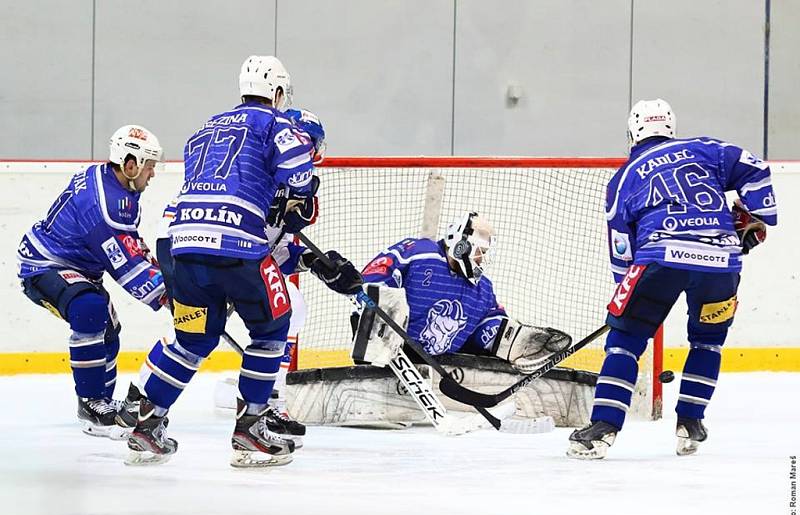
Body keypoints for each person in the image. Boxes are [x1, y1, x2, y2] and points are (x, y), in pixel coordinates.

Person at [126, 56, 360, 468]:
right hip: (234, 249)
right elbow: (298, 176)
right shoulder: (276, 126)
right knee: (273, 325)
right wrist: (300, 190)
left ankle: (147, 419)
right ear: (278, 93)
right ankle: (252, 424)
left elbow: (273, 240)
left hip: (185, 249)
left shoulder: (205, 129)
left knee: (195, 340)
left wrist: (315, 262)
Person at [567, 99, 778, 459]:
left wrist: (625, 299)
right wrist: (758, 215)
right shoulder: (707, 149)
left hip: (660, 259)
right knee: (708, 342)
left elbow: (622, 248)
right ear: (670, 127)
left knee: (625, 342)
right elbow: (755, 168)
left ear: (633, 132)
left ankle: (603, 428)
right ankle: (690, 425)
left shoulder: (624, 177)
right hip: (721, 263)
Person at [16, 125, 166, 439]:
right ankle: (91, 403)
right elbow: (124, 267)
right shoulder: (104, 204)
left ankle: (102, 405)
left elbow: (130, 245)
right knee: (90, 309)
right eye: (149, 166)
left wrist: (166, 277)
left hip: (77, 267)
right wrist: (168, 295)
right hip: (45, 264)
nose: (152, 174)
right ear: (130, 164)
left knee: (108, 330)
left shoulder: (116, 186)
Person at [353, 211, 571, 374]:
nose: (482, 260)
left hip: (436, 367)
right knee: (385, 300)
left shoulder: (482, 290)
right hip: (388, 354)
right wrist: (365, 289)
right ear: (461, 245)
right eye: (480, 252)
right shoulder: (420, 254)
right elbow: (374, 279)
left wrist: (519, 341)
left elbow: (488, 329)